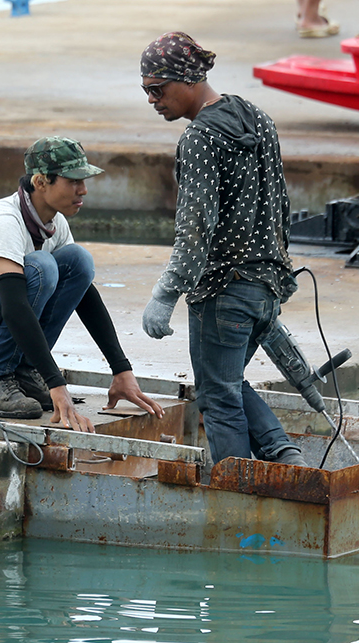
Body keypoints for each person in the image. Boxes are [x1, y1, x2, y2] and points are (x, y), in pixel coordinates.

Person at [138, 32, 307, 468]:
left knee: (218, 398)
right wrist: (277, 279)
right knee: (226, 383)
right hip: (266, 285)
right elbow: (281, 206)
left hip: (224, 291)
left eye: (158, 89)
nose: (152, 100)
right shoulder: (257, 118)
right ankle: (285, 456)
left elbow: (195, 228)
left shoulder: (199, 139)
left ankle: (238, 490)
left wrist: (166, 293)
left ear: (188, 80)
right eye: (146, 90)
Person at [0, 136, 164, 432]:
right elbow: (15, 307)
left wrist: (121, 370)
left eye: (83, 181)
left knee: (78, 261)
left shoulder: (54, 222)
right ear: (40, 182)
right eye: (73, 181)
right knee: (41, 267)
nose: (83, 190)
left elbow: (85, 295)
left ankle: (24, 370)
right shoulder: (3, 223)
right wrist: (55, 383)